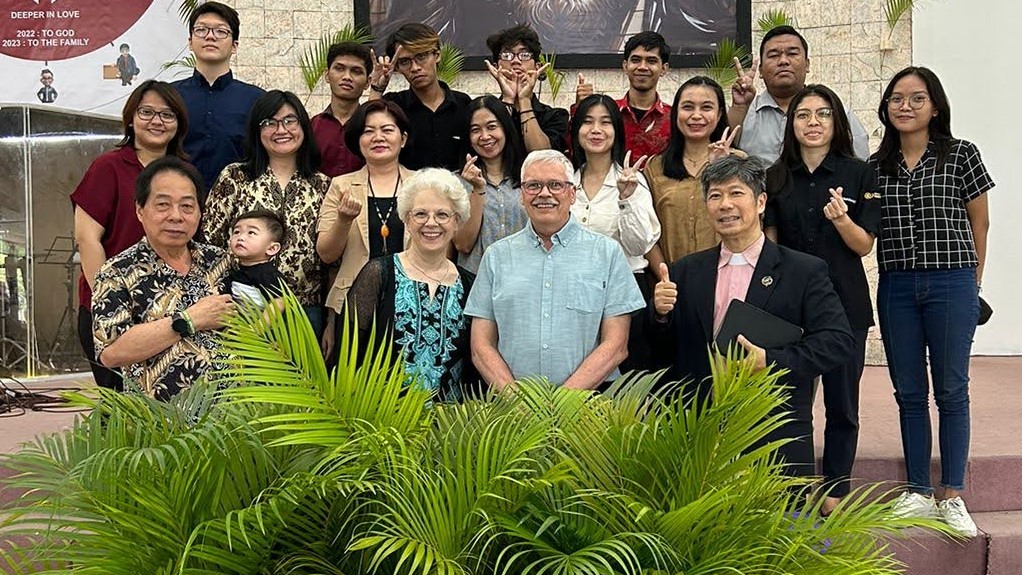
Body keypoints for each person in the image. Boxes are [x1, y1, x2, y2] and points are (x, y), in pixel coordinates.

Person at [650, 154, 853, 484]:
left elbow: (837, 341)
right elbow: (661, 351)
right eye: (715, 196)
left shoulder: (803, 271)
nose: (725, 205)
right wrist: (659, 314)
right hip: (699, 436)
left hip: (773, 434)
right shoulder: (686, 271)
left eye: (735, 193)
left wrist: (770, 360)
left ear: (760, 202)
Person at [872, 67, 994, 537]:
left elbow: (979, 224)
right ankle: (918, 491)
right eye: (896, 99)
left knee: (951, 390)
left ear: (935, 106)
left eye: (916, 98)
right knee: (908, 392)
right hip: (897, 286)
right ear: (886, 107)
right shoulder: (877, 165)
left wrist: (974, 284)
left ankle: (952, 494)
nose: (905, 106)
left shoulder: (961, 154)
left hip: (952, 283)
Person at [764, 84, 881, 516]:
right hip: (790, 310)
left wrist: (843, 219)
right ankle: (791, 488)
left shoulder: (859, 174)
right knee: (791, 404)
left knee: (841, 404)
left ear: (837, 123)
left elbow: (863, 245)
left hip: (844, 305)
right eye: (804, 115)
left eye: (823, 114)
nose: (813, 123)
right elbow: (769, 249)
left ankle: (835, 489)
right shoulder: (776, 176)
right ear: (791, 124)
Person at [465, 149, 645, 391]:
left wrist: (562, 402)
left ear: (572, 193)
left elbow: (616, 345)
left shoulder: (607, 254)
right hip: (514, 408)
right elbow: (481, 345)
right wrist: (517, 400)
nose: (544, 193)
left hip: (587, 406)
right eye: (533, 185)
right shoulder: (497, 256)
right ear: (522, 195)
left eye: (555, 185)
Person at [72, 80, 189, 391]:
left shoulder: (184, 173)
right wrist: (109, 300)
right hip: (111, 308)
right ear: (130, 118)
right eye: (147, 112)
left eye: (167, 115)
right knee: (122, 409)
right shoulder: (107, 167)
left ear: (178, 124)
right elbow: (87, 239)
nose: (157, 121)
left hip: (167, 312)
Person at [92, 157, 233, 400]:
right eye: (163, 205)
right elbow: (111, 352)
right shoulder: (116, 272)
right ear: (140, 210)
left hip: (231, 421)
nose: (176, 216)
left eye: (187, 206)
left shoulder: (221, 261)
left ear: (200, 213)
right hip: (161, 427)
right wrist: (189, 320)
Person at [202, 90, 329, 336]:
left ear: (303, 126)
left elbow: (330, 256)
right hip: (241, 311)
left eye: (290, 121)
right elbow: (211, 241)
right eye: (269, 122)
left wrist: (330, 323)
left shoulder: (322, 184)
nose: (281, 130)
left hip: (303, 309)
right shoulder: (236, 176)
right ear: (257, 131)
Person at [345, 169, 475, 400]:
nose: (431, 223)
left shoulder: (469, 285)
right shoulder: (378, 274)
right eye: (421, 214)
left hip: (451, 428)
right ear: (406, 219)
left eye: (442, 214)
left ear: (457, 222)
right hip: (382, 421)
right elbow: (348, 351)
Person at [317, 100, 416, 357]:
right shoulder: (341, 186)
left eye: (387, 130)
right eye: (368, 131)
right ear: (358, 140)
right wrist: (343, 220)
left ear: (403, 139)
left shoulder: (422, 185)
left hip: (412, 305)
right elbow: (327, 255)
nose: (378, 137)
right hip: (353, 309)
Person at [728, 25, 869, 164]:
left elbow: (860, 165)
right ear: (761, 70)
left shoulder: (834, 111)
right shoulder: (745, 112)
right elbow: (722, 153)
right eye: (773, 55)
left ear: (807, 65)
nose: (783, 61)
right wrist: (739, 107)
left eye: (792, 53)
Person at [644, 76, 741, 275]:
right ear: (675, 112)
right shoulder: (655, 167)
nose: (696, 116)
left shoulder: (739, 162)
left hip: (730, 278)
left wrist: (722, 168)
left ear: (719, 113)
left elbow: (751, 224)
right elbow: (647, 233)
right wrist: (666, 277)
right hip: (673, 282)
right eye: (688, 107)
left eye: (706, 107)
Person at [173, 1, 265, 191]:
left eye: (220, 31)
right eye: (201, 30)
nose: (210, 36)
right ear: (190, 42)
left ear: (234, 46)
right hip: (180, 204)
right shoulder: (170, 96)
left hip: (239, 207)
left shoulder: (257, 100)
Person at [368, 23, 470, 171]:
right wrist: (377, 89)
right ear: (397, 67)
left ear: (437, 55)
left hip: (458, 191)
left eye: (421, 56)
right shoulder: (393, 105)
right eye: (405, 62)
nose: (415, 68)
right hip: (408, 190)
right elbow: (368, 136)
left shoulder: (463, 103)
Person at [454, 95, 527, 274]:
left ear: (505, 128)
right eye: (475, 130)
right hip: (476, 283)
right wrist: (478, 189)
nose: (485, 136)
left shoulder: (528, 178)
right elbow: (462, 244)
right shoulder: (457, 183)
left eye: (492, 127)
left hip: (523, 280)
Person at [575, 31, 673, 159]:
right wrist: (579, 109)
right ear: (625, 66)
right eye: (636, 60)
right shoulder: (607, 111)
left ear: (663, 69)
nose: (642, 67)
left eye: (651, 61)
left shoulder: (673, 118)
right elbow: (575, 152)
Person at [484, 23, 568, 153]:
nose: (515, 61)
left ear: (537, 67)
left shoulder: (554, 116)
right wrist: (508, 98)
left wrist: (524, 100)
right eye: (507, 55)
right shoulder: (483, 114)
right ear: (496, 67)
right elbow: (493, 154)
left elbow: (542, 156)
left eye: (524, 55)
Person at [312, 42, 371, 178]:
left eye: (356, 71)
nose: (347, 77)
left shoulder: (373, 128)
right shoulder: (311, 127)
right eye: (339, 69)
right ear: (327, 75)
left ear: (367, 82)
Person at [223, 209, 287, 308]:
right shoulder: (232, 270)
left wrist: (262, 323)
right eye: (236, 232)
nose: (241, 237)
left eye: (251, 233)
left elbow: (279, 302)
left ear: (272, 248)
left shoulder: (268, 275)